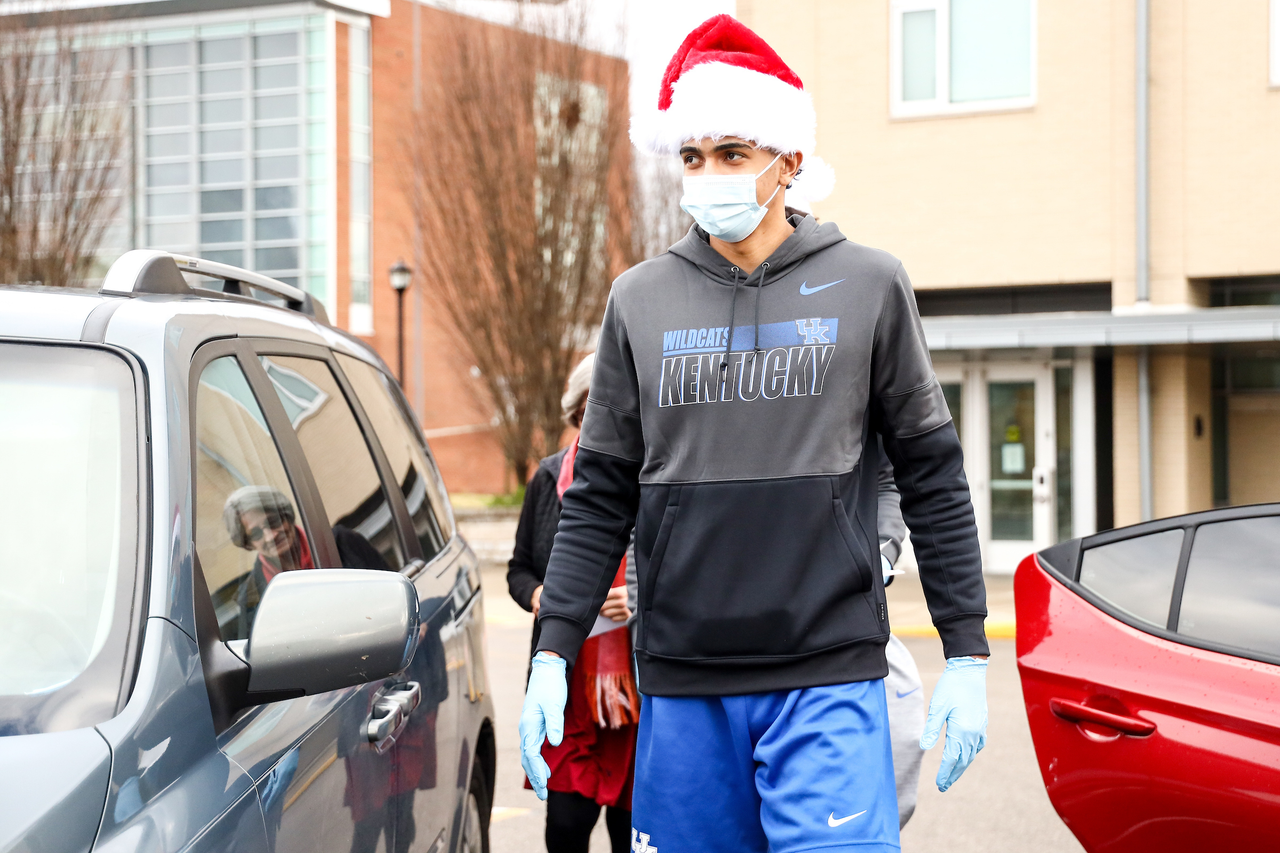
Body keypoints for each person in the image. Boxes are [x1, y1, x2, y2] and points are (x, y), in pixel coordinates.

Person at [520, 14, 990, 853]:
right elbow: (599, 494)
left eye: (733, 154)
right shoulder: (639, 299)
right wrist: (555, 648)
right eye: (692, 157)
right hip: (684, 682)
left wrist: (967, 650)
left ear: (789, 162)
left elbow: (931, 473)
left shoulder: (869, 284)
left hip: (828, 674)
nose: (707, 176)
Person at [508, 354, 639, 853]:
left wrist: (639, 600)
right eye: (590, 413)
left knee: (633, 836)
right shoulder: (547, 479)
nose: (601, 424)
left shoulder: (656, 476)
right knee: (565, 828)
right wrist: (543, 595)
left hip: (638, 695)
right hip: (567, 684)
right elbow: (519, 570)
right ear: (575, 415)